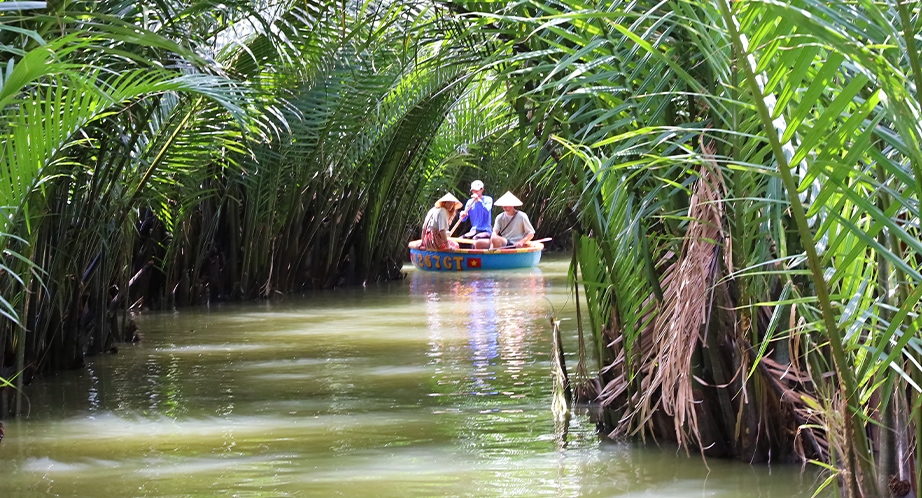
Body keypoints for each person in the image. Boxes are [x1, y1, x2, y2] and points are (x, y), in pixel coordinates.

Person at [459, 180, 493, 249]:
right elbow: (463, 219)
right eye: (473, 191)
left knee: (475, 239)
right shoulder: (469, 202)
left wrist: (479, 201)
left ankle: (475, 258)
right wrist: (462, 215)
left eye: (477, 191)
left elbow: (486, 211)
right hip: (474, 230)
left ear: (482, 190)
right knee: (460, 240)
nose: (475, 193)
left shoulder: (488, 199)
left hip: (485, 230)